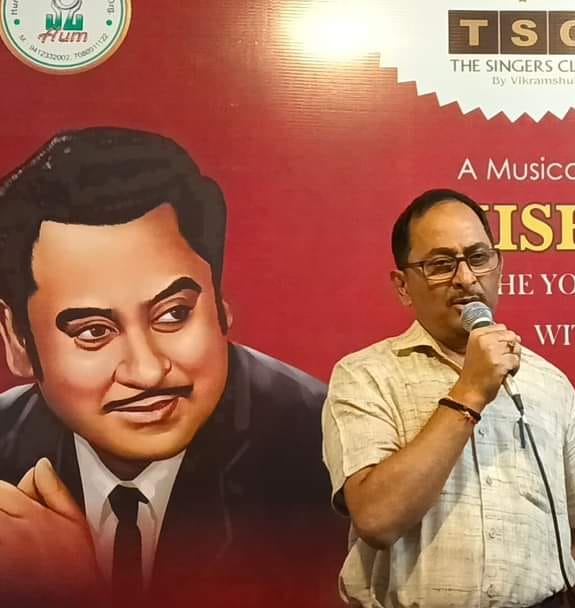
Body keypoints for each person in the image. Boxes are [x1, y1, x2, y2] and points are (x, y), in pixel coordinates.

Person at [0, 127, 340, 607]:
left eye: (174, 314)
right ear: (17, 340)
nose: (147, 370)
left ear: (220, 305)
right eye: (93, 332)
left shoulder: (327, 453)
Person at [322, 189, 575, 607]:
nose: (466, 278)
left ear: (499, 267)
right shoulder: (365, 375)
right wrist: (470, 391)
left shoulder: (548, 383)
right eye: (441, 265)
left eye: (478, 258)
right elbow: (376, 519)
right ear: (403, 286)